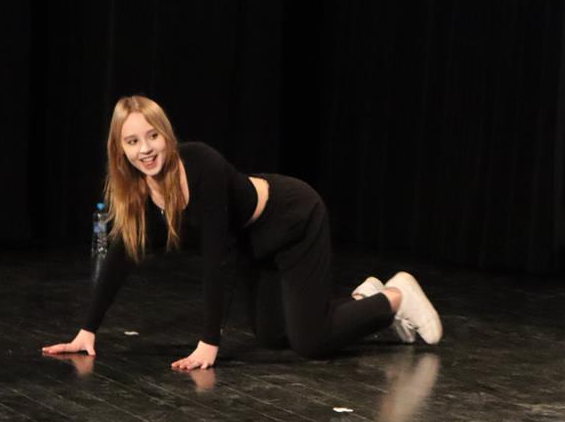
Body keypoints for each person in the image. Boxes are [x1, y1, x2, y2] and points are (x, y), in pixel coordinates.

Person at [43, 95, 441, 369]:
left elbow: (217, 259)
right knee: (272, 336)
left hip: (292, 220)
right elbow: (121, 255)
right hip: (253, 245)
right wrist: (87, 330)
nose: (145, 149)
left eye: (152, 136)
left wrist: (209, 341)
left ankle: (396, 296)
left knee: (311, 343)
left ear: (167, 136)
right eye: (132, 142)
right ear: (120, 150)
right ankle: (364, 299)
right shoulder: (138, 190)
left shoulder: (202, 166)